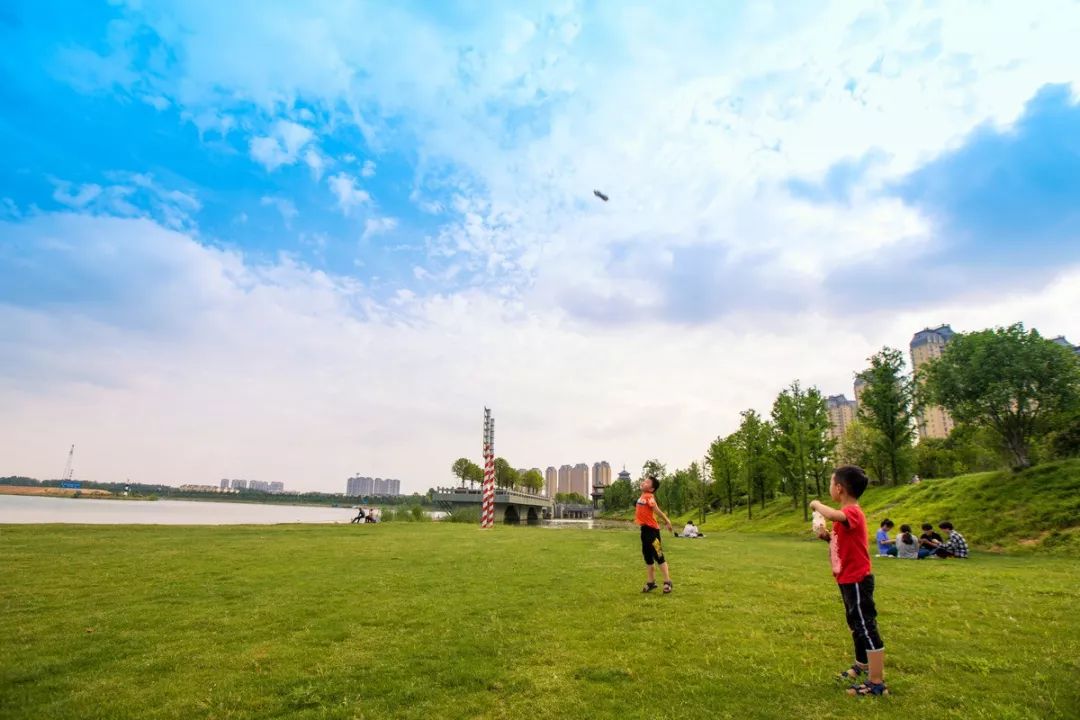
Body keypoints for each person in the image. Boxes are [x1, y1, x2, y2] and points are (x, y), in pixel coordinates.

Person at [810, 465, 888, 697]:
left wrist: (816, 505)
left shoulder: (852, 511)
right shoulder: (844, 518)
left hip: (857, 580)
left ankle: (877, 683)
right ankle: (861, 665)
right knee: (856, 625)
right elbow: (842, 543)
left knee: (866, 626)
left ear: (839, 488)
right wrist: (826, 536)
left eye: (831, 483)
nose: (829, 488)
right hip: (846, 579)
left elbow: (834, 515)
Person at [636, 475, 674, 594]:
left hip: (653, 531)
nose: (644, 482)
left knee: (658, 555)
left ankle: (667, 582)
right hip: (644, 531)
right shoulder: (642, 496)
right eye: (644, 481)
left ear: (652, 489)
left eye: (647, 483)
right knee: (647, 556)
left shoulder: (650, 496)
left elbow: (657, 510)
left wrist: (667, 521)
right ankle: (651, 582)